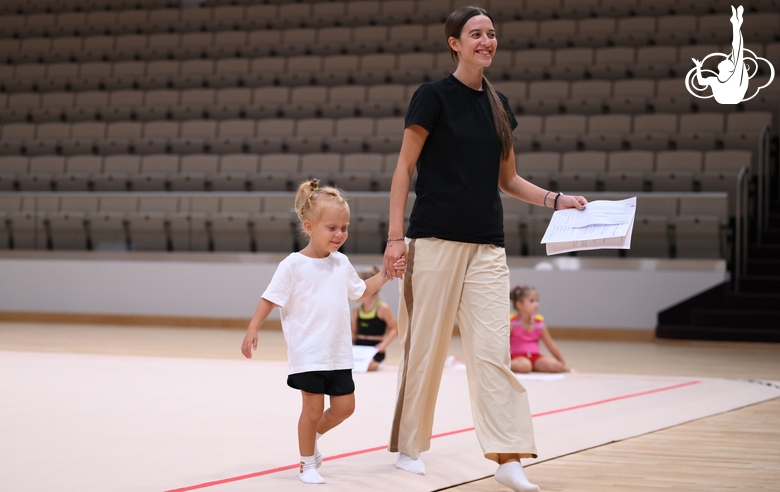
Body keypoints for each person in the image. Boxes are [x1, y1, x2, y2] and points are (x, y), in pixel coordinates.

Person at [380, 6, 587, 492]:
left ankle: (508, 456)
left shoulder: (499, 105)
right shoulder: (431, 97)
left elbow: (508, 179)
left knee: (493, 353)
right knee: (423, 350)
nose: (486, 41)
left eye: (492, 34)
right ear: (455, 42)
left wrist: (556, 201)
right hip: (432, 241)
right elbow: (403, 170)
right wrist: (394, 238)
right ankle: (410, 445)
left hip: (488, 248)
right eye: (476, 34)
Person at [241, 179, 405, 485]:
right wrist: (253, 328)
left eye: (344, 227)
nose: (340, 234)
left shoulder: (341, 263)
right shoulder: (293, 265)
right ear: (309, 226)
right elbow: (269, 298)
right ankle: (307, 463)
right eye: (332, 228)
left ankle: (311, 435)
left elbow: (360, 291)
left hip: (338, 352)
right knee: (313, 406)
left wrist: (386, 274)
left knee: (345, 407)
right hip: (309, 352)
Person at [691, 5, 748, 104]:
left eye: (728, 61)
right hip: (726, 98)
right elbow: (700, 82)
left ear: (730, 69)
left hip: (733, 96)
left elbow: (737, 47)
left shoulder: (735, 77)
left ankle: (736, 24)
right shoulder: (714, 80)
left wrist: (736, 26)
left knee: (737, 50)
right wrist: (698, 67)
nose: (725, 59)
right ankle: (736, 24)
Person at [509, 285, 569, 374]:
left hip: (535, 357)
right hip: (517, 357)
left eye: (537, 300)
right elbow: (502, 343)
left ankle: (535, 367)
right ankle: (507, 365)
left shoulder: (539, 323)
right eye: (531, 301)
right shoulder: (513, 323)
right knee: (525, 366)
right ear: (519, 305)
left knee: (556, 366)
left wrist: (563, 363)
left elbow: (551, 344)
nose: (536, 304)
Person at [351, 267, 398, 372]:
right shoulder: (356, 311)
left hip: (375, 348)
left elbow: (394, 329)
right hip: (358, 348)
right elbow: (354, 333)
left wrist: (383, 345)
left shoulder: (382, 308)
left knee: (370, 366)